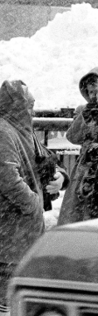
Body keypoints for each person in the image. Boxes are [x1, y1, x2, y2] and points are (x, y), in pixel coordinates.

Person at [0, 80, 65, 316]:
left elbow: (43, 160)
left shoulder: (19, 129)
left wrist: (59, 178)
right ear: (17, 106)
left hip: (21, 216)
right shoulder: (4, 133)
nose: (32, 109)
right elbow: (7, 176)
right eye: (28, 105)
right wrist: (32, 201)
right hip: (13, 215)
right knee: (10, 270)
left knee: (20, 271)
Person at [58, 68, 98, 225]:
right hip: (86, 171)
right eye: (91, 92)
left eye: (97, 91)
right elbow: (72, 137)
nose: (95, 96)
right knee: (79, 213)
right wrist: (84, 118)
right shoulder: (85, 111)